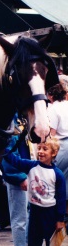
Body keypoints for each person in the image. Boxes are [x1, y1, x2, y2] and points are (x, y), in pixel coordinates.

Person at [3, 137, 68, 246]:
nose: (40, 151)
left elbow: (61, 198)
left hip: (50, 214)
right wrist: (3, 149)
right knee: (33, 243)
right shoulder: (31, 166)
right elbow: (15, 161)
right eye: (39, 148)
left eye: (45, 149)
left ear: (54, 153)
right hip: (35, 212)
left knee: (53, 245)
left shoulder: (57, 174)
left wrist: (60, 219)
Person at [1, 124, 31, 246]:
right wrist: (19, 176)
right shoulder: (11, 123)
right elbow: (8, 152)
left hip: (29, 173)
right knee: (20, 216)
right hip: (19, 177)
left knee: (28, 215)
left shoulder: (22, 119)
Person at [47, 83, 68, 213]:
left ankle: (57, 216)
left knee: (55, 182)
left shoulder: (52, 109)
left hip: (61, 146)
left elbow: (52, 133)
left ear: (51, 96)